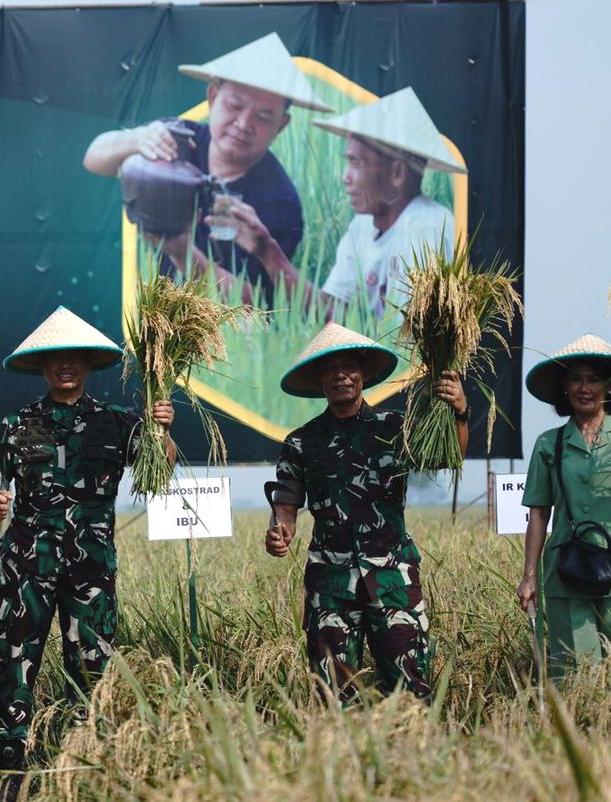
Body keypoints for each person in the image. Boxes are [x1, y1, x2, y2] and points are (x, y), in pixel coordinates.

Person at [0, 307, 173, 802]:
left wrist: (161, 428)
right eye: (56, 359)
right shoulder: (18, 423)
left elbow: (159, 467)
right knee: (16, 662)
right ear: (43, 366)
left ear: (87, 365)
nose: (66, 366)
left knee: (91, 666)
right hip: (26, 566)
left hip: (91, 570)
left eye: (75, 359)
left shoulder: (118, 422)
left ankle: (82, 764)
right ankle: (11, 769)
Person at [263, 323, 466, 702]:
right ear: (319, 380)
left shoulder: (396, 429)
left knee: (411, 691)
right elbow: (286, 506)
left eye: (349, 367)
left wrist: (459, 412)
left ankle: (409, 754)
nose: (341, 375)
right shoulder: (301, 442)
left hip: (393, 579)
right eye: (330, 369)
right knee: (333, 692)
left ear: (363, 375)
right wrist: (280, 531)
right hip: (331, 584)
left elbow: (447, 457)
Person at [83, 33, 331, 306]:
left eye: (263, 116)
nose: (243, 123)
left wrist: (182, 253)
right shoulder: (178, 140)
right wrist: (138, 139)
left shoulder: (279, 202)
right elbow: (95, 157)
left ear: (281, 125)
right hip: (156, 314)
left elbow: (255, 303)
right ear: (212, 97)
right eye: (234, 106)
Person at [517, 335, 611, 680]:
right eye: (576, 379)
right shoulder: (549, 443)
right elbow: (538, 513)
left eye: (594, 379)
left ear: (610, 386)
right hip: (566, 573)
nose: (585, 388)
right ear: (564, 387)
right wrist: (528, 576)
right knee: (575, 677)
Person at [315, 88, 466, 324]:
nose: (346, 177)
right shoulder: (362, 226)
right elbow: (331, 310)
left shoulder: (427, 231)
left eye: (356, 163)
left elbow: (409, 339)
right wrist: (270, 254)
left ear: (397, 173)